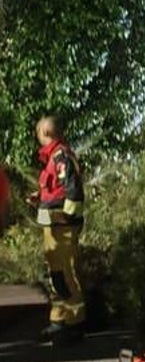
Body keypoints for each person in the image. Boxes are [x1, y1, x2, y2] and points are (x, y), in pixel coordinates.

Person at [28, 116, 87, 342]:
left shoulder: (61, 156)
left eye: (38, 134)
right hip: (52, 224)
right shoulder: (54, 157)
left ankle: (75, 322)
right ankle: (59, 319)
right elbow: (56, 189)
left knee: (65, 273)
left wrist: (67, 216)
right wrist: (40, 197)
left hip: (61, 225)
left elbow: (73, 191)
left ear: (46, 133)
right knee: (56, 274)